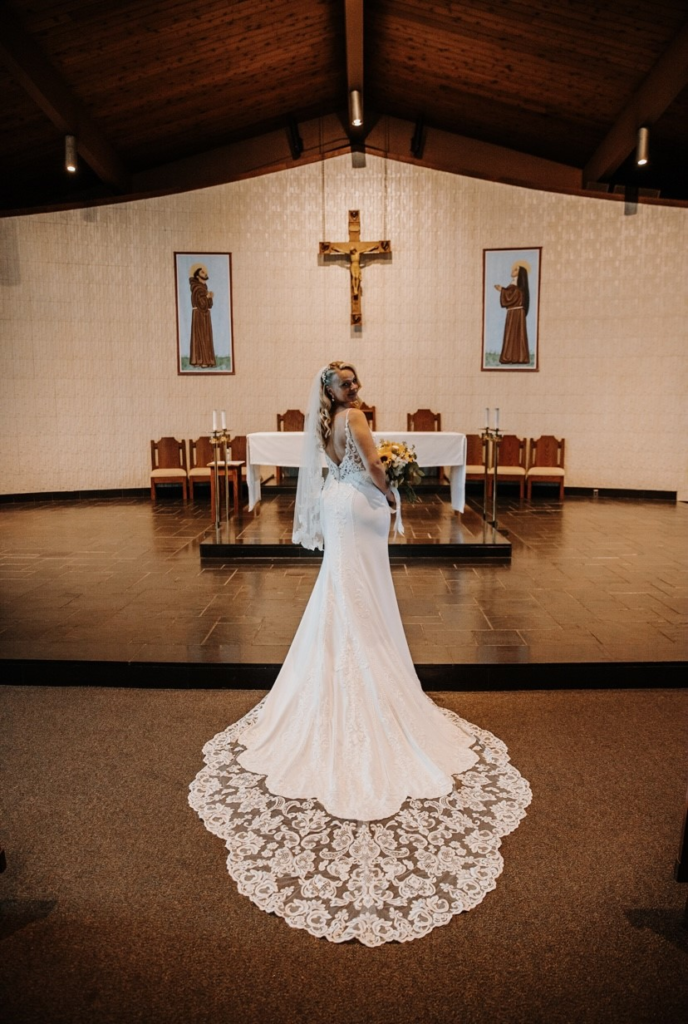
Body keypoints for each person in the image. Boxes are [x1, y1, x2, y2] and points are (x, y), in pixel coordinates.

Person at [189, 361, 531, 946]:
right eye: (349, 381)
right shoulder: (358, 418)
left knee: (342, 590)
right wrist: (392, 488)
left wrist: (375, 477)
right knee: (363, 593)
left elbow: (343, 463)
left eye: (353, 380)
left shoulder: (324, 422)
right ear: (341, 389)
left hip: (336, 506)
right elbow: (373, 464)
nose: (356, 386)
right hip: (361, 505)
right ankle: (369, 672)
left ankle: (333, 670)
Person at [494, 261, 530, 364]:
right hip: (513, 312)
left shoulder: (519, 286)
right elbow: (511, 293)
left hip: (517, 313)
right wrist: (503, 290)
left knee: (516, 334)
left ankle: (519, 357)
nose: (512, 270)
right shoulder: (514, 283)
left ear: (519, 273)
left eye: (515, 269)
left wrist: (502, 290)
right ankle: (510, 356)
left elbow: (514, 296)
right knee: (512, 334)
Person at [188, 264, 216, 367]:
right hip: (199, 315)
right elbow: (201, 304)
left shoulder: (203, 286)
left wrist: (209, 298)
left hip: (204, 314)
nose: (205, 273)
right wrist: (208, 296)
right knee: (201, 336)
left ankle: (206, 360)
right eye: (202, 272)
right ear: (197, 275)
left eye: (205, 272)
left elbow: (209, 306)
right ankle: (201, 361)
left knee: (206, 336)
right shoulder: (197, 287)